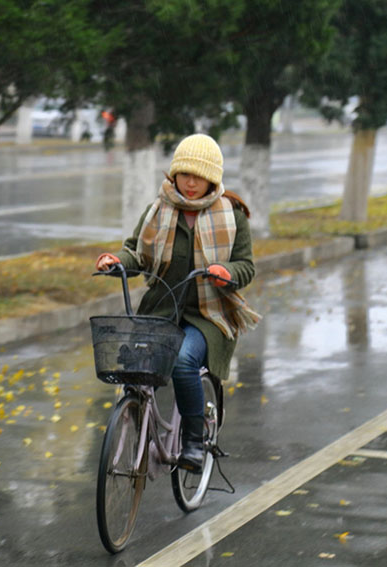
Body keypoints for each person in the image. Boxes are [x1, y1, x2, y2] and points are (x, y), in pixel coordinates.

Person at [95, 133, 261, 473]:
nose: (190, 182)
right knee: (130, 362)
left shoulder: (232, 214)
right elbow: (136, 253)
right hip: (160, 311)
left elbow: (246, 267)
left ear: (212, 178)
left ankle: (194, 442)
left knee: (184, 362)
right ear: (174, 174)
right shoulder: (159, 210)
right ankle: (136, 415)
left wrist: (225, 271)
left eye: (198, 176)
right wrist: (117, 261)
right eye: (184, 174)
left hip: (208, 316)